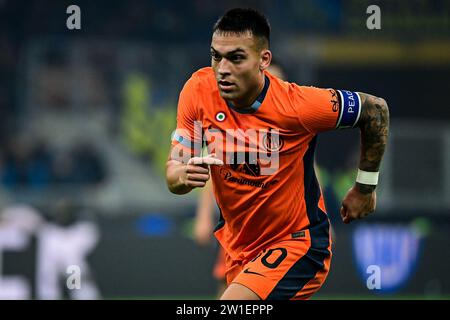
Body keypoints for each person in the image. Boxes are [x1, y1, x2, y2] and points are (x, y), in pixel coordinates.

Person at [166, 8, 389, 300]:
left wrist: (365, 187)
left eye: (236, 58)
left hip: (297, 244)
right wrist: (182, 175)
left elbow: (375, 110)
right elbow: (174, 171)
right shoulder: (197, 91)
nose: (222, 68)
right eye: (216, 56)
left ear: (264, 61)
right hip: (239, 247)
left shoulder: (298, 105)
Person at [193, 61, 286, 298]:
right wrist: (204, 217)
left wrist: (322, 220)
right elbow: (215, 174)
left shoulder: (292, 128)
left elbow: (310, 180)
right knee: (230, 288)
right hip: (239, 229)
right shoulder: (235, 129)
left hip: (281, 229)